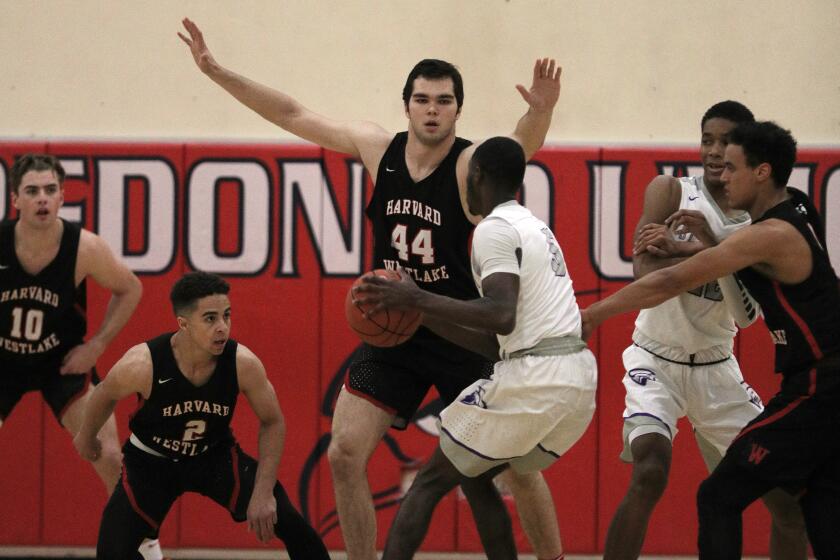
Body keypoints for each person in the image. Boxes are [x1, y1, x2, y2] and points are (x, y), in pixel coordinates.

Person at [179, 17, 565, 560]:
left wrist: (540, 111)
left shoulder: (467, 165)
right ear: (406, 105)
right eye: (424, 99)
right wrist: (216, 71)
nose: (433, 109)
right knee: (343, 453)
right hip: (396, 330)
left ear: (458, 109)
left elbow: (519, 147)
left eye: (445, 100)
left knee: (515, 468)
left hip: (461, 331)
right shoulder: (376, 147)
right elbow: (293, 114)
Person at [582, 121, 840, 558]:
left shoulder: (763, 233)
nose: (722, 173)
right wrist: (708, 243)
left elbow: (677, 279)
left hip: (812, 383)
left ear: (761, 172)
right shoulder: (796, 205)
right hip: (662, 360)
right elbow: (664, 268)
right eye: (710, 145)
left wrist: (591, 315)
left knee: (723, 496)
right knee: (818, 509)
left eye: (733, 165)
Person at [354, 137, 596, 560]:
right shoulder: (535, 226)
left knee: (429, 481)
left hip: (535, 377)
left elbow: (500, 315)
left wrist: (418, 299)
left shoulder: (493, 229)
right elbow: (493, 341)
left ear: (476, 175)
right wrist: (424, 316)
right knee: (476, 475)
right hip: (574, 379)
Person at [73, 271, 331, 559]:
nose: (223, 327)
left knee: (293, 525)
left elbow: (273, 421)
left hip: (213, 457)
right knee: (112, 551)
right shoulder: (143, 364)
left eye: (227, 315)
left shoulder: (241, 363)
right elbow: (105, 394)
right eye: (210, 318)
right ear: (183, 324)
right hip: (150, 462)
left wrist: (263, 490)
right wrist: (86, 435)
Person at [0, 154, 164, 559]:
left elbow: (130, 289)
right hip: (3, 361)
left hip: (62, 363)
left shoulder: (83, 247)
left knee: (109, 453)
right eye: (33, 191)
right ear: (15, 199)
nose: (42, 199)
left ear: (62, 197)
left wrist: (97, 345)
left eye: (50, 190)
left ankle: (146, 545)